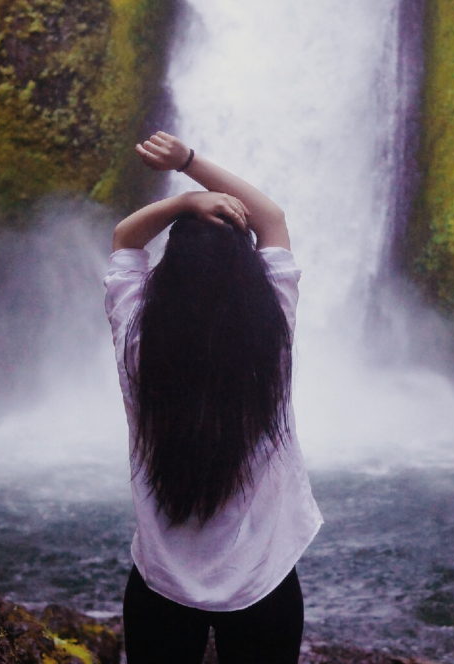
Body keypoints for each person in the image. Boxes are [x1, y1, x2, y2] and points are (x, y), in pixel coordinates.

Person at [104, 130, 322, 664]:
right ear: (249, 277)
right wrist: (190, 163)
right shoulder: (271, 333)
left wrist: (183, 202)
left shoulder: (136, 340)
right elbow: (270, 216)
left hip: (159, 586)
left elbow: (126, 240)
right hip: (264, 583)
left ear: (167, 273)